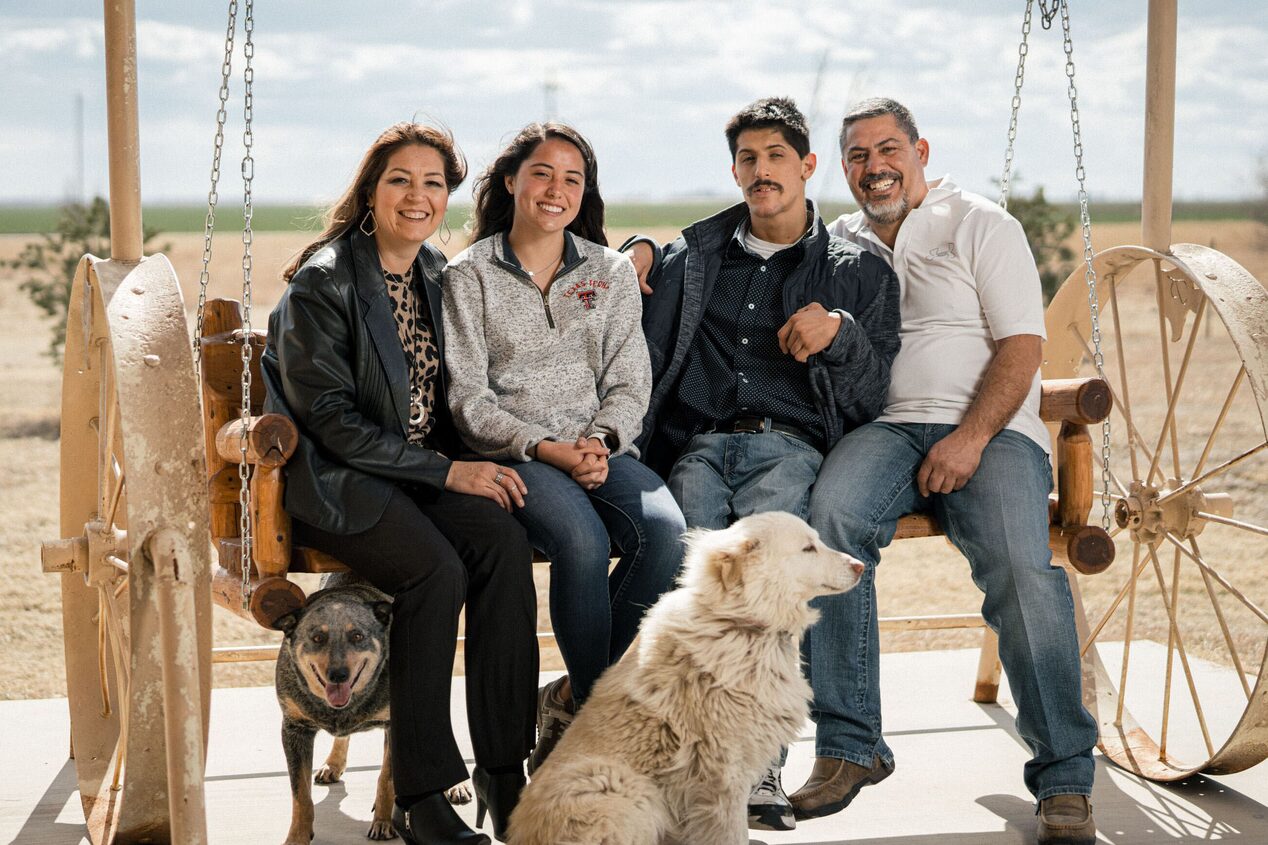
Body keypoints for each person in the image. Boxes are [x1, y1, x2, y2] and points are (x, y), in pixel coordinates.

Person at [790, 97, 1098, 845]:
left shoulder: (981, 223)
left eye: (887, 148)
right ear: (842, 168)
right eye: (857, 155)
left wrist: (969, 436)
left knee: (1022, 569)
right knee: (827, 526)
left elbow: (1024, 346)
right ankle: (850, 745)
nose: (874, 166)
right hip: (887, 429)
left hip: (989, 431)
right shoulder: (837, 240)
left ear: (920, 150)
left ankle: (1063, 777)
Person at [625, 97, 900, 832]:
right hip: (700, 446)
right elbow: (637, 267)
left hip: (790, 446)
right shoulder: (697, 257)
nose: (760, 171)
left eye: (776, 156)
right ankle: (684, 758)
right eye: (747, 159)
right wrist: (639, 244)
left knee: (766, 584)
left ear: (807, 167)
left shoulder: (857, 273)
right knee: (692, 582)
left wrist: (839, 335)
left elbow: (873, 395)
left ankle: (759, 762)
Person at [262, 122, 538, 845]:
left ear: (447, 197)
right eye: (400, 180)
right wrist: (450, 470)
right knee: (434, 571)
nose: (418, 196)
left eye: (433, 183)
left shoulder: (437, 274)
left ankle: (505, 773)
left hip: (414, 477)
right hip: (337, 485)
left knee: (504, 549)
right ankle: (420, 796)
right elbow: (328, 419)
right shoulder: (324, 282)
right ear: (370, 193)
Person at [441, 122, 686, 776]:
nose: (557, 189)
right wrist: (546, 448)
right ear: (513, 182)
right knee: (578, 539)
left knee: (665, 533)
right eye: (542, 173)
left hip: (597, 446)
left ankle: (580, 699)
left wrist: (602, 438)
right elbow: (467, 398)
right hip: (515, 454)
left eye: (572, 177)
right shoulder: (469, 275)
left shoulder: (607, 272)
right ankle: (603, 730)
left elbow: (630, 379)